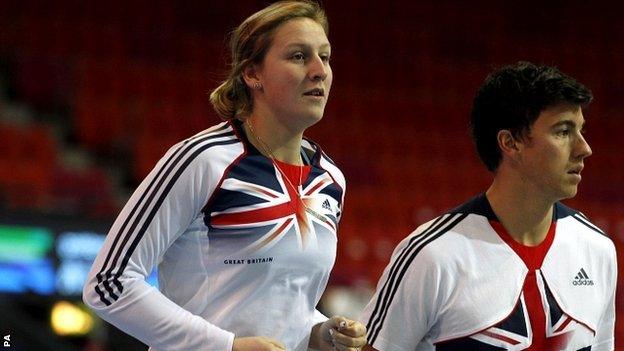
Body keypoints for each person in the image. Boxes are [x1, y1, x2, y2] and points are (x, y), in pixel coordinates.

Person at [83, 1, 366, 350]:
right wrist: (226, 346)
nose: (319, 70)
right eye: (298, 56)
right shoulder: (203, 160)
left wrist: (319, 332)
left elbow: (278, 301)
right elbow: (108, 283)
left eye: (325, 57)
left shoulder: (330, 179)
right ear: (252, 74)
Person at [360, 62, 617, 350]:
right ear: (510, 142)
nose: (584, 148)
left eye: (580, 130)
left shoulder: (598, 250)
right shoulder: (433, 255)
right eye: (563, 131)